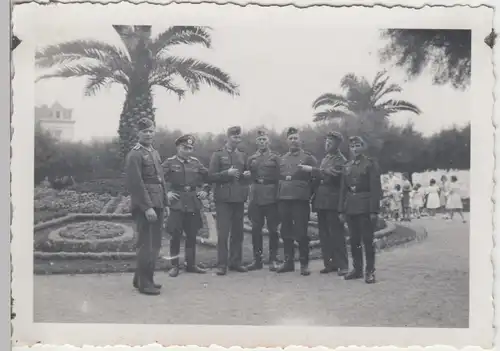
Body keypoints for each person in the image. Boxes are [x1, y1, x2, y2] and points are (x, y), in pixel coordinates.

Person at [125, 117, 167, 296]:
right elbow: (136, 184)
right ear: (138, 133)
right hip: (146, 206)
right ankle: (145, 284)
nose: (148, 134)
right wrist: (147, 207)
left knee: (154, 244)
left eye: (151, 131)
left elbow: (160, 180)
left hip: (157, 203)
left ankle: (140, 279)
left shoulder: (154, 152)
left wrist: (164, 203)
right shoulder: (135, 154)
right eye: (145, 131)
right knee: (146, 245)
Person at [162, 134, 211, 277]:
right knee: (175, 235)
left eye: (190, 148)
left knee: (192, 234)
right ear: (178, 147)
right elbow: (157, 179)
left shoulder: (196, 163)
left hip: (192, 202)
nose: (188, 150)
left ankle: (191, 264)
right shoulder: (170, 163)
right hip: (177, 202)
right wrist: (166, 194)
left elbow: (209, 177)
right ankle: (174, 266)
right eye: (185, 147)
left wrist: (205, 190)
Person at [208, 126, 251, 276]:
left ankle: (235, 262)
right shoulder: (218, 155)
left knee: (238, 233)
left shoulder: (243, 156)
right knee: (223, 233)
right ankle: (222, 264)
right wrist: (227, 173)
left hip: (238, 198)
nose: (237, 140)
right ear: (228, 137)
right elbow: (211, 176)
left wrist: (246, 174)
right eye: (234, 137)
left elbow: (246, 177)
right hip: (223, 200)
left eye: (239, 137)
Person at [339, 136, 381, 284]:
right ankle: (357, 269)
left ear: (363, 147)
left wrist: (374, 210)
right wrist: (341, 210)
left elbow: (375, 188)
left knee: (367, 241)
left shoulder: (370, 164)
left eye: (357, 145)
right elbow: (343, 189)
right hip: (351, 206)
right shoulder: (347, 165)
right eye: (352, 146)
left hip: (365, 206)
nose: (355, 149)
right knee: (354, 240)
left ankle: (370, 271)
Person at [305, 131, 348, 275]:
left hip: (333, 200)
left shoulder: (340, 159)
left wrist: (314, 170)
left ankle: (343, 265)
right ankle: (329, 264)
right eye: (327, 141)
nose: (328, 143)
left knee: (336, 233)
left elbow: (334, 174)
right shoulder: (325, 159)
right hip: (322, 200)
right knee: (324, 234)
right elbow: (321, 176)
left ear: (337, 144)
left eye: (331, 141)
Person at [276, 127, 318, 276]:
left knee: (301, 232)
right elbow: (279, 179)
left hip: (300, 200)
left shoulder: (308, 158)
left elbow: (316, 178)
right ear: (287, 141)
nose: (293, 141)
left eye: (296, 138)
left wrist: (308, 193)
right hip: (284, 199)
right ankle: (288, 262)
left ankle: (304, 263)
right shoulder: (282, 158)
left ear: (301, 140)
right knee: (285, 231)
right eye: (291, 138)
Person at [246, 129, 282, 271]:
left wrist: (279, 197)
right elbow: (248, 176)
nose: (262, 142)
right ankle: (257, 260)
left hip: (272, 196)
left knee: (273, 230)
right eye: (260, 140)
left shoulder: (275, 157)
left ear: (269, 141)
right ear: (256, 142)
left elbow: (280, 177)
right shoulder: (251, 158)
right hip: (256, 196)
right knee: (256, 229)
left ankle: (273, 259)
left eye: (264, 139)